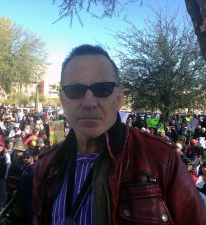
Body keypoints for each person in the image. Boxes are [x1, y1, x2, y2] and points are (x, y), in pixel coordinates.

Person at [33, 44, 206, 225]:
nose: (89, 102)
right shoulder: (46, 166)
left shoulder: (162, 159)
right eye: (75, 90)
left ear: (119, 97)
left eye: (102, 89)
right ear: (62, 98)